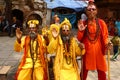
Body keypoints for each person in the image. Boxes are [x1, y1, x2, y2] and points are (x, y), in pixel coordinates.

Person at [77, 2, 112, 80]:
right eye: (89, 9)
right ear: (86, 11)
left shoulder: (101, 23)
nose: (91, 11)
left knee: (102, 71)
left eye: (93, 9)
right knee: (84, 71)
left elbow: (105, 36)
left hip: (99, 50)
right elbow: (79, 38)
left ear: (96, 11)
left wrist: (107, 43)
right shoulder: (83, 23)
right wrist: (81, 31)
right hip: (87, 50)